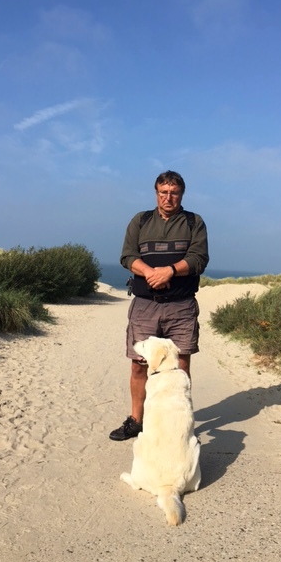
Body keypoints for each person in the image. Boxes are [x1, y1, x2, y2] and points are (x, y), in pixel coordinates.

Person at [109, 170, 209, 441]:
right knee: (138, 365)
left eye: (174, 193)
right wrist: (150, 272)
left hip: (181, 307)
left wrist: (170, 271)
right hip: (145, 305)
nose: (168, 198)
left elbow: (199, 258)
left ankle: (180, 424)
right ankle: (136, 421)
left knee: (180, 367)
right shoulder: (140, 220)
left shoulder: (194, 222)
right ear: (156, 193)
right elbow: (127, 256)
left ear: (182, 194)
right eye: (163, 192)